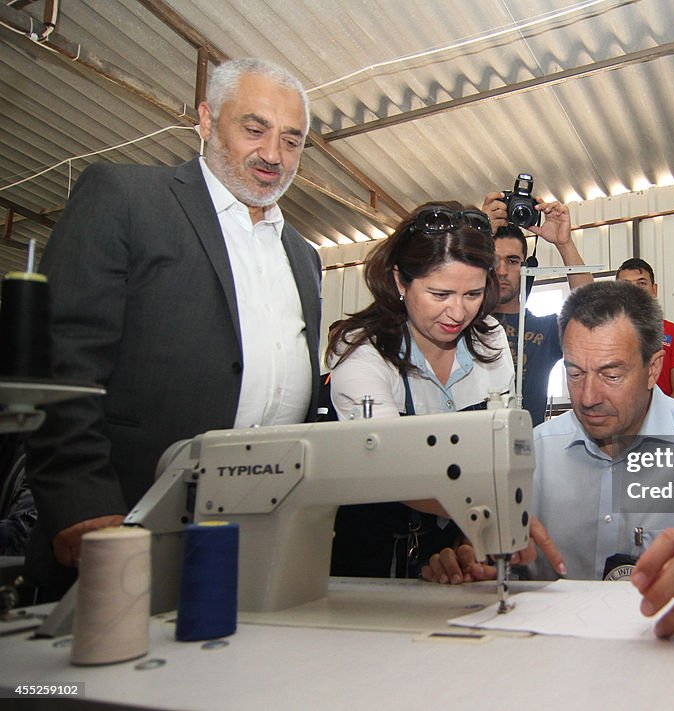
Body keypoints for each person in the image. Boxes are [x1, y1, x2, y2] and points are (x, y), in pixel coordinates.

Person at [25, 58, 323, 600]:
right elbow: (60, 354)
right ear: (207, 121)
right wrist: (81, 503)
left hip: (256, 539)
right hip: (124, 526)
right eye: (254, 129)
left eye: (292, 140)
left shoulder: (304, 257)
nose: (273, 155)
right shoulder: (126, 197)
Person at [424, 281, 674, 641]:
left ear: (654, 368)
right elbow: (481, 553)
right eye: (574, 372)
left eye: (611, 373)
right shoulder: (530, 452)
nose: (588, 396)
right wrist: (468, 564)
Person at [325, 201, 515, 577]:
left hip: (449, 541)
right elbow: (387, 468)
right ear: (400, 281)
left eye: (473, 295)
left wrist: (469, 541)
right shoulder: (361, 352)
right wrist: (499, 512)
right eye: (440, 294)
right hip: (373, 557)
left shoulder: (490, 340)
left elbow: (497, 453)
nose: (458, 313)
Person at [480, 194, 592, 426]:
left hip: (529, 450)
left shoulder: (546, 328)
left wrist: (564, 243)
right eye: (493, 260)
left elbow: (592, 306)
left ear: (525, 268)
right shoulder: (463, 322)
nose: (501, 271)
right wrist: (476, 234)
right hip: (471, 448)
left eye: (512, 261)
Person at [615, 258, 674, 400]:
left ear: (654, 290)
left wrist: (654, 421)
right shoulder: (606, 336)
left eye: (642, 283)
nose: (635, 291)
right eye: (626, 285)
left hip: (666, 419)